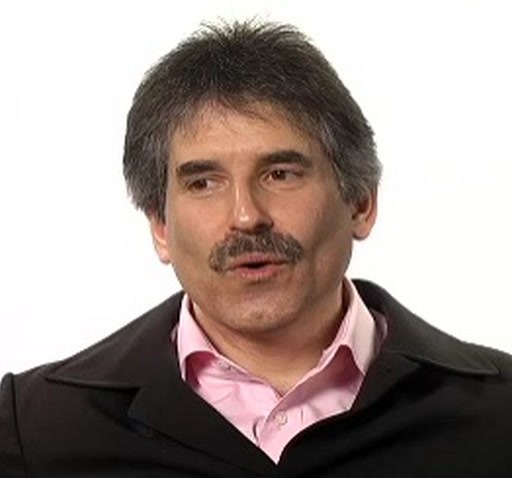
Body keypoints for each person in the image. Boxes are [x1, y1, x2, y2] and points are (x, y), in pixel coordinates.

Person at [1, 20, 511, 477]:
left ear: (361, 202)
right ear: (160, 225)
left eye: (280, 173)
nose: (246, 216)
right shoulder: (36, 430)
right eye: (203, 183)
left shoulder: (500, 413)